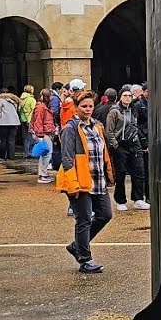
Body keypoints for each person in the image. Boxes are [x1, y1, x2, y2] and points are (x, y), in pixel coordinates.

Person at [56, 90, 113, 274]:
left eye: (90, 106)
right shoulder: (70, 128)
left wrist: (109, 175)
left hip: (97, 179)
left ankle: (77, 246)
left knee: (105, 214)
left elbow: (103, 154)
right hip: (79, 181)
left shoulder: (97, 126)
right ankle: (85, 259)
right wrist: (73, 185)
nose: (88, 109)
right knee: (84, 219)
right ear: (77, 107)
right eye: (84, 106)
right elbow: (67, 159)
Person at [106, 88, 149, 211]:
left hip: (134, 143)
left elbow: (136, 126)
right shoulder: (114, 112)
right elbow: (109, 131)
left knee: (139, 171)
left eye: (130, 95)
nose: (128, 98)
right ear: (120, 97)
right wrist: (115, 145)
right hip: (120, 144)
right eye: (125, 95)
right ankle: (120, 200)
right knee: (121, 173)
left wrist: (142, 143)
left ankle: (138, 199)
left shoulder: (134, 110)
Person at [30, 87, 57, 182]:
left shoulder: (42, 107)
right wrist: (39, 135)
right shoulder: (41, 107)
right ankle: (43, 175)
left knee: (44, 154)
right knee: (47, 154)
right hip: (44, 133)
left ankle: (43, 174)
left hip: (45, 132)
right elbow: (38, 121)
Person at [0, 88, 21, 161]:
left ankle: (2, 156)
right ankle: (11, 156)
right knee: (11, 139)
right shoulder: (14, 101)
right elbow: (17, 110)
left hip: (3, 122)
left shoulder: (1, 100)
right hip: (14, 122)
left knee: (3, 139)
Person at [18, 84, 37, 154]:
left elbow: (19, 109)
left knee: (26, 137)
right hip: (30, 120)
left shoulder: (21, 99)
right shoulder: (32, 100)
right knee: (32, 137)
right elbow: (34, 110)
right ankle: (32, 152)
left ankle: (26, 152)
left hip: (23, 119)